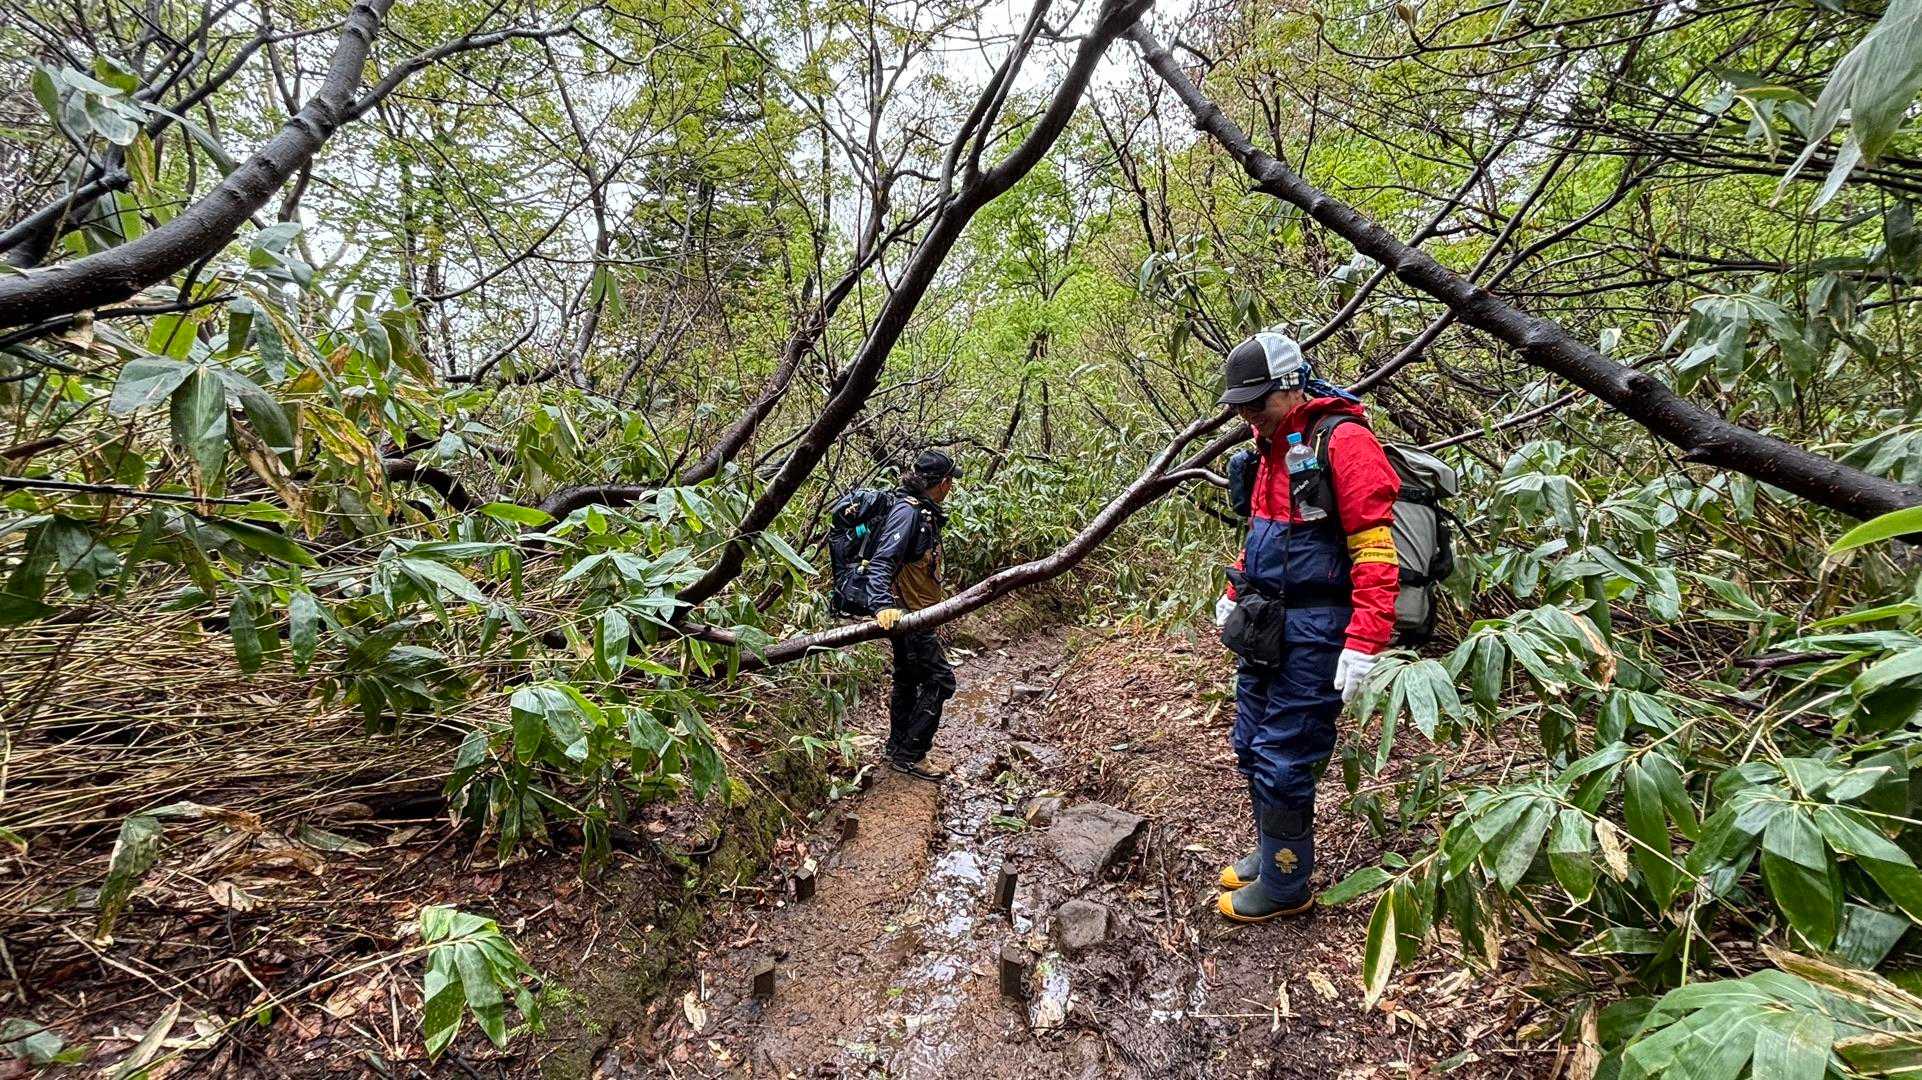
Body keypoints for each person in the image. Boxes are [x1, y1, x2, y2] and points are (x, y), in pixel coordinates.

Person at [1211, 332, 1401, 922]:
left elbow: (1375, 550)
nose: (1247, 414)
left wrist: (1365, 641)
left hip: (1319, 628)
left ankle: (1287, 885)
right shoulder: (1269, 448)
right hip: (1265, 621)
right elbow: (1261, 535)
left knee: (1283, 755)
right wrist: (1233, 594)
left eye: (1257, 402)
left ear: (1291, 388)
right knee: (1250, 743)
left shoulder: (1344, 442)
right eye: (1240, 404)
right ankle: (1274, 853)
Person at [866, 449, 960, 781]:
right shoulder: (908, 513)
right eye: (950, 481)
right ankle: (912, 754)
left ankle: (897, 748)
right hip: (908, 618)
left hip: (915, 615)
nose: (951, 487)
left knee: (907, 678)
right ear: (943, 482)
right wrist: (882, 605)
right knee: (941, 680)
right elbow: (881, 562)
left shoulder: (919, 510)